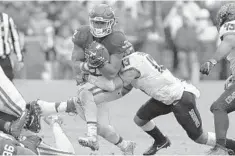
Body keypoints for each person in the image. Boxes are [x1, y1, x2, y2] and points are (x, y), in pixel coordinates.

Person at [87, 51, 235, 155]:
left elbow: (113, 86)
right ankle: (161, 141)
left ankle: (232, 146)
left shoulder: (131, 68)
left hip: (180, 98)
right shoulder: (132, 60)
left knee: (199, 137)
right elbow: (122, 89)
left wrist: (90, 78)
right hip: (164, 97)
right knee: (140, 119)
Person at [70, 3, 136, 153]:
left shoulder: (117, 38)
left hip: (118, 84)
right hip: (96, 81)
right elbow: (75, 64)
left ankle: (91, 136)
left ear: (111, 23)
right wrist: (88, 68)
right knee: (99, 124)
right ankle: (125, 146)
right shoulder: (83, 34)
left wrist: (97, 63)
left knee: (84, 96)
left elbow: (112, 73)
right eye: (96, 22)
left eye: (102, 23)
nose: (99, 26)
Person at [200, 3, 235, 155]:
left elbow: (229, 42)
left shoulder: (230, 26)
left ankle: (220, 148)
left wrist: (212, 61)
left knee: (219, 107)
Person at [0, 115, 75, 156]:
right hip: (17, 140)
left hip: (30, 145)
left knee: (70, 155)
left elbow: (26, 153)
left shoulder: (1, 150)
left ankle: (54, 123)